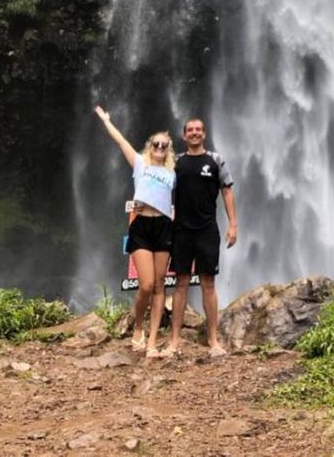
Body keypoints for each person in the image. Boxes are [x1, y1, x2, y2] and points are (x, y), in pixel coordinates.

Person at [94, 105, 175, 358]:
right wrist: (107, 120)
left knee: (160, 284)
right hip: (141, 225)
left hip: (163, 226)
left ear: (168, 150)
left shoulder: (174, 172)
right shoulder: (140, 164)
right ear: (149, 146)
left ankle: (152, 342)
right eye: (155, 144)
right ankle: (138, 326)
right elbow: (120, 142)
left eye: (164, 146)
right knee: (147, 284)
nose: (159, 149)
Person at [168, 117, 238, 358]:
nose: (194, 133)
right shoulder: (176, 162)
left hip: (207, 230)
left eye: (198, 130)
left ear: (204, 134)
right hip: (181, 230)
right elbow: (162, 188)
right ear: (184, 135)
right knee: (181, 283)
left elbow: (227, 191)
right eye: (190, 130)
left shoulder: (216, 160)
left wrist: (233, 225)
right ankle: (174, 340)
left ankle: (214, 340)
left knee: (209, 283)